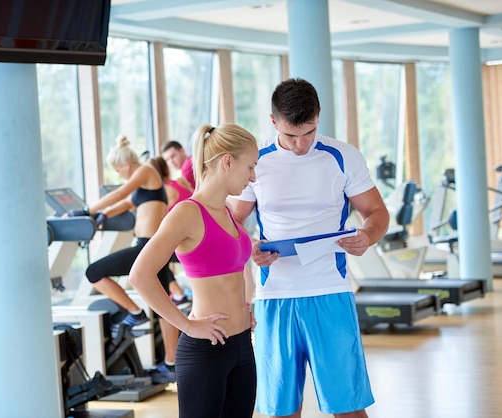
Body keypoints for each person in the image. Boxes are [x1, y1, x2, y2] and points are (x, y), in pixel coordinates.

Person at [231, 78, 390, 418]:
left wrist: (368, 235)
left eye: (309, 131)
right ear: (273, 121)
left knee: (348, 406)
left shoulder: (343, 156)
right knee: (281, 410)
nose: (301, 144)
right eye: (291, 135)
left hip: (330, 290)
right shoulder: (254, 161)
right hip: (275, 296)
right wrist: (250, 248)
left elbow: (377, 213)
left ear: (318, 116)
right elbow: (231, 224)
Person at [129, 123, 259, 418]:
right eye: (250, 166)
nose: (253, 176)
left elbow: (228, 267)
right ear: (228, 161)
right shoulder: (187, 212)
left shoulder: (226, 211)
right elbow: (140, 274)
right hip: (206, 349)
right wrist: (186, 325)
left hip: (241, 345)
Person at [82, 134, 180, 380]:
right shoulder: (146, 182)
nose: (119, 175)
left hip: (146, 248)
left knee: (93, 273)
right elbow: (127, 203)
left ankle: (134, 312)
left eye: (117, 170)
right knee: (164, 306)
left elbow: (121, 192)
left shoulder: (145, 171)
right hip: (152, 247)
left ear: (126, 165)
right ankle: (171, 364)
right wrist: (103, 215)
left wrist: (87, 211)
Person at [148, 156, 193, 305]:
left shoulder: (162, 193)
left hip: (181, 242)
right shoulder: (181, 182)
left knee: (154, 257)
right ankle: (178, 293)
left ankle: (178, 294)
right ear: (167, 169)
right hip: (196, 231)